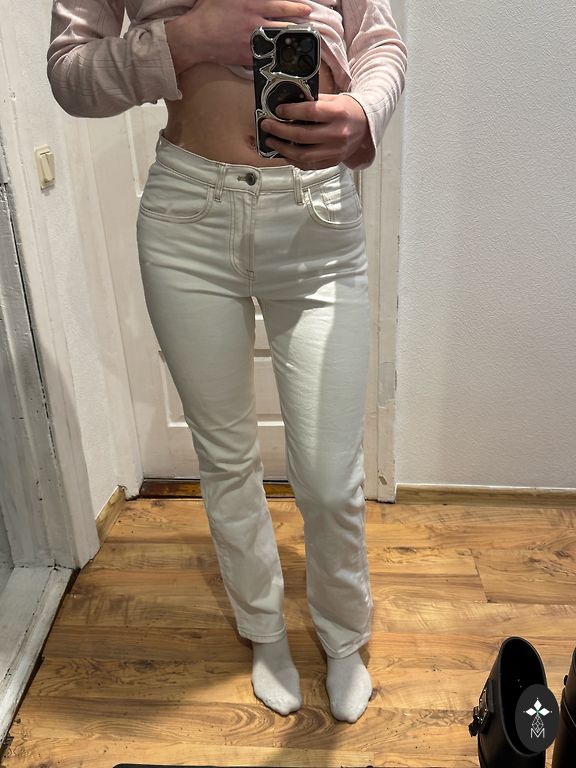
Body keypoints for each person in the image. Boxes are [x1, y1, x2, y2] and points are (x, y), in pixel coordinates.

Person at [47, 0, 407, 723]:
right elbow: (69, 73)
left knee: (329, 476)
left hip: (316, 220)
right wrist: (183, 39)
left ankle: (344, 635)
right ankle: (263, 629)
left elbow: (380, 43)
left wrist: (364, 113)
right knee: (226, 456)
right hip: (188, 218)